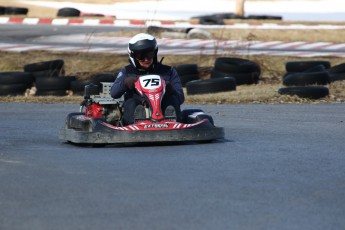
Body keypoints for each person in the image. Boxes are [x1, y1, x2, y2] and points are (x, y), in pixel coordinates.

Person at [110, 33, 184, 125]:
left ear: (155, 53)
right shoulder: (127, 71)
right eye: (141, 56)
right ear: (133, 56)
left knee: (171, 100)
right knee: (131, 103)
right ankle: (137, 122)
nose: (146, 59)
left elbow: (180, 98)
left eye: (149, 54)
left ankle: (171, 122)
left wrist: (170, 89)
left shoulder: (168, 71)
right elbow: (113, 93)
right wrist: (125, 83)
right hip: (137, 109)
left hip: (162, 109)